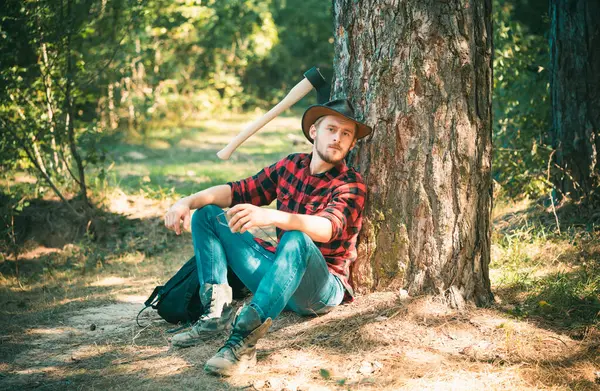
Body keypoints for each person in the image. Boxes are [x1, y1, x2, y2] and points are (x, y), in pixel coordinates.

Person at [163, 98, 372, 376]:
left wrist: (272, 216)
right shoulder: (290, 166)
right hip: (281, 274)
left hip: (320, 289)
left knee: (296, 239)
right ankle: (214, 315)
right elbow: (237, 190)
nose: (337, 138)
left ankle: (242, 343)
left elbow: (327, 228)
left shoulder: (351, 184)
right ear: (314, 132)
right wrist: (186, 202)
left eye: (346, 134)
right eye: (331, 129)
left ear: (352, 143)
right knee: (208, 214)